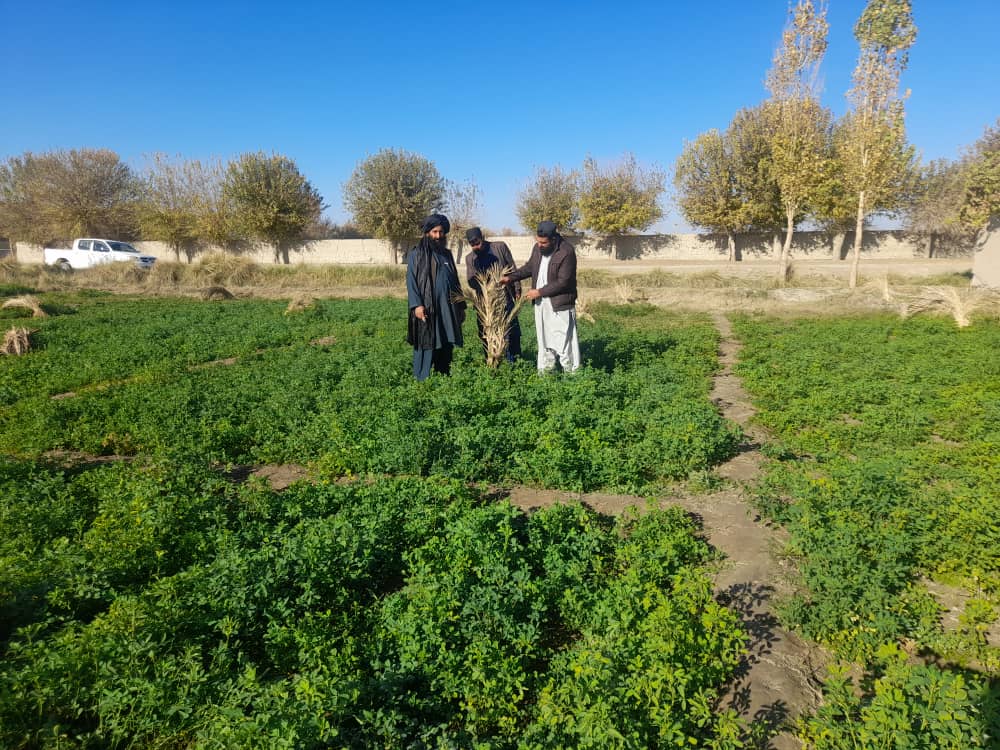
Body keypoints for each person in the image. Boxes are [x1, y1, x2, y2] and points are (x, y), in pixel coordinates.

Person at [502, 220, 580, 373]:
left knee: (565, 342)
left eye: (543, 243)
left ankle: (571, 377)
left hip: (560, 304)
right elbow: (529, 268)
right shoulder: (538, 249)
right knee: (544, 340)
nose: (539, 245)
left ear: (553, 239)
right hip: (541, 305)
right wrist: (511, 278)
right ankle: (545, 375)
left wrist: (539, 292)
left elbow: (563, 282)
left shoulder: (566, 252)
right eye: (538, 242)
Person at [406, 214, 466, 381]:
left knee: (446, 340)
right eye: (434, 232)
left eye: (441, 232)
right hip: (427, 309)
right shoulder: (417, 254)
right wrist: (417, 305)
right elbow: (411, 282)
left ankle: (443, 377)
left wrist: (461, 306)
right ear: (427, 233)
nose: (438, 236)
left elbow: (455, 281)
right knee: (426, 343)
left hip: (447, 309)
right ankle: (421, 380)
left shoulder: (447, 254)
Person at [464, 227, 522, 362]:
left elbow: (512, 268)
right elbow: (470, 281)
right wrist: (485, 286)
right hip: (486, 304)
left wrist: (517, 288)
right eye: (472, 245)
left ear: (482, 237)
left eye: (477, 242)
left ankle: (514, 361)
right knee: (487, 333)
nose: (476, 246)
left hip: (504, 297)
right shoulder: (470, 258)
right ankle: (493, 361)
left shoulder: (499, 247)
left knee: (511, 331)